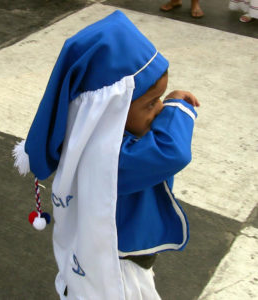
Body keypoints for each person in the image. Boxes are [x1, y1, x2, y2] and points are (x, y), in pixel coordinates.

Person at [13, 10, 199, 300]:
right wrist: (178, 107)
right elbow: (170, 152)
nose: (160, 109)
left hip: (119, 259)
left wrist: (160, 104)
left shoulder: (92, 141)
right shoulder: (107, 159)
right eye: (151, 103)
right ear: (110, 108)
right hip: (116, 273)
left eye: (161, 100)